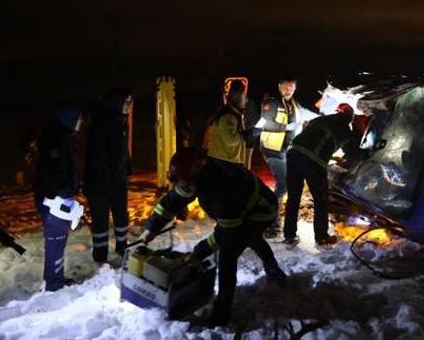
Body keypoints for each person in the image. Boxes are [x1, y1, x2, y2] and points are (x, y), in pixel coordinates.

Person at [142, 148, 286, 327]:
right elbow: (173, 200)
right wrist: (152, 228)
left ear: (198, 177)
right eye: (181, 184)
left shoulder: (223, 188)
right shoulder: (195, 176)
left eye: (186, 184)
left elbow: (227, 233)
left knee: (228, 253)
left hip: (261, 212)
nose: (184, 188)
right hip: (243, 209)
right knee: (252, 238)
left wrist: (199, 252)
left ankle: (222, 312)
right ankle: (274, 271)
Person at [284, 103, 364, 246]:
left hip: (293, 155)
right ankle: (321, 237)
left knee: (293, 198)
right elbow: (352, 153)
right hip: (312, 161)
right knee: (321, 200)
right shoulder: (343, 129)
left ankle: (289, 235)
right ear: (349, 118)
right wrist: (366, 152)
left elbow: (311, 138)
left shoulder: (320, 120)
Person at [255, 75, 318, 237]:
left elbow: (307, 115)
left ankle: (270, 216)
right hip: (272, 151)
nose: (288, 90)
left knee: (287, 186)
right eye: (285, 87)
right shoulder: (272, 103)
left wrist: (324, 118)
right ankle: (271, 221)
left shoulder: (295, 105)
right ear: (279, 86)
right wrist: (288, 126)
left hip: (286, 152)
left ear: (295, 89)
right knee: (283, 185)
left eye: (291, 88)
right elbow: (265, 123)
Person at [33, 104, 84, 291]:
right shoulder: (57, 142)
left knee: (58, 242)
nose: (81, 122)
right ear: (69, 119)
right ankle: (53, 284)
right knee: (55, 242)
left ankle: (55, 279)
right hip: (54, 201)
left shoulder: (63, 139)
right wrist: (63, 193)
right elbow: (54, 172)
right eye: (79, 118)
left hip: (58, 199)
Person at [83, 88, 133, 264]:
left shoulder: (121, 121)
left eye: (130, 103)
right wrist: (105, 180)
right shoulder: (101, 124)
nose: (128, 106)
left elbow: (121, 150)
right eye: (126, 102)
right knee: (100, 222)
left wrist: (127, 168)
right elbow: (97, 157)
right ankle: (100, 257)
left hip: (118, 180)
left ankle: (122, 248)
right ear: (116, 103)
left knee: (121, 217)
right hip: (100, 183)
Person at [203, 80, 254, 166]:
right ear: (236, 97)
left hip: (226, 160)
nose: (246, 100)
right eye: (244, 96)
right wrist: (248, 134)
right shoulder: (228, 116)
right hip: (224, 163)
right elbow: (231, 140)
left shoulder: (233, 114)